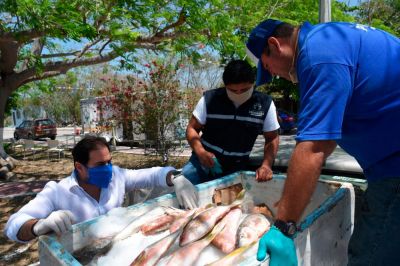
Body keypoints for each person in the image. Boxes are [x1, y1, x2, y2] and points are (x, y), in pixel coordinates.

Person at [246, 18, 400, 265]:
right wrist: (291, 197)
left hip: (395, 167)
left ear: (275, 45)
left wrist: (284, 227)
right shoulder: (329, 40)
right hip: (388, 164)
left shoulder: (320, 55)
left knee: (370, 255)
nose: (273, 75)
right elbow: (326, 139)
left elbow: (314, 147)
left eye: (268, 66)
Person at [4, 136, 197, 243]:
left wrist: (176, 177)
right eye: (101, 164)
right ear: (79, 167)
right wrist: (37, 226)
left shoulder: (117, 177)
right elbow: (13, 226)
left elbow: (153, 174)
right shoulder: (57, 192)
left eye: (110, 162)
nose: (108, 169)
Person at [182, 59, 280, 185]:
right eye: (233, 90)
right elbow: (192, 128)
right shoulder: (210, 99)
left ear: (253, 84)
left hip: (236, 167)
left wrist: (266, 165)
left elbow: (272, 138)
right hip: (202, 162)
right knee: (184, 188)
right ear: (225, 86)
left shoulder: (264, 104)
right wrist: (200, 152)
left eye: (245, 90)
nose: (239, 94)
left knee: (230, 204)